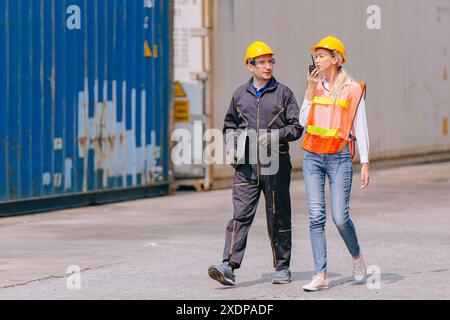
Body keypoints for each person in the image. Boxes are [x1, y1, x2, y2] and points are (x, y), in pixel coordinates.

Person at [208, 41, 303, 286]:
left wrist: (276, 135)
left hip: (276, 166)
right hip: (246, 167)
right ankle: (228, 266)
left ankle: (282, 267)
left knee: (278, 216)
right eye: (261, 62)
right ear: (250, 66)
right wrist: (230, 144)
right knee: (239, 216)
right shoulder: (240, 95)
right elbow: (229, 126)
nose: (268, 66)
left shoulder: (284, 93)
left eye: (270, 61)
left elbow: (296, 128)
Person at [299, 36, 370, 292]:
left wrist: (365, 161)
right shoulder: (314, 86)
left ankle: (356, 257)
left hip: (339, 157)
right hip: (313, 157)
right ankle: (320, 274)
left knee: (340, 217)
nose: (317, 59)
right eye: (316, 55)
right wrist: (308, 93)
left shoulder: (352, 88)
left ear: (335, 59)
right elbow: (303, 122)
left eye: (321, 55)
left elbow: (359, 126)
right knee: (315, 216)